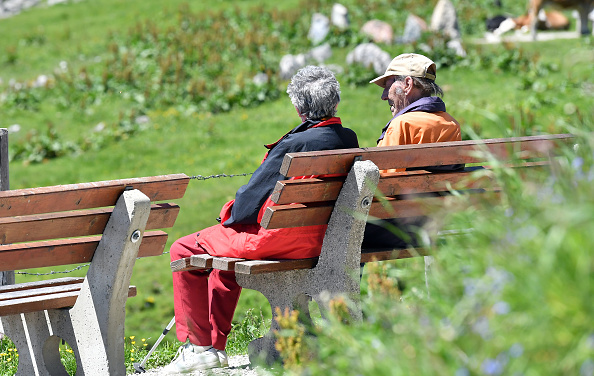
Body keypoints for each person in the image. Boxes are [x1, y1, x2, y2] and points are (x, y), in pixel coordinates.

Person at [163, 65, 358, 374]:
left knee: (184, 250)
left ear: (298, 107)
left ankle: (200, 348)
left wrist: (227, 214)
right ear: (335, 103)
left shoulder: (294, 146)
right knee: (221, 251)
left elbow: (245, 206)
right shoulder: (348, 139)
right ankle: (213, 344)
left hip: (277, 240)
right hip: (320, 238)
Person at [362, 53, 463, 250]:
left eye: (387, 86)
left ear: (407, 84)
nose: (384, 96)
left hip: (401, 228)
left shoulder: (402, 124)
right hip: (436, 223)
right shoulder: (450, 123)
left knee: (345, 233)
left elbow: (381, 188)